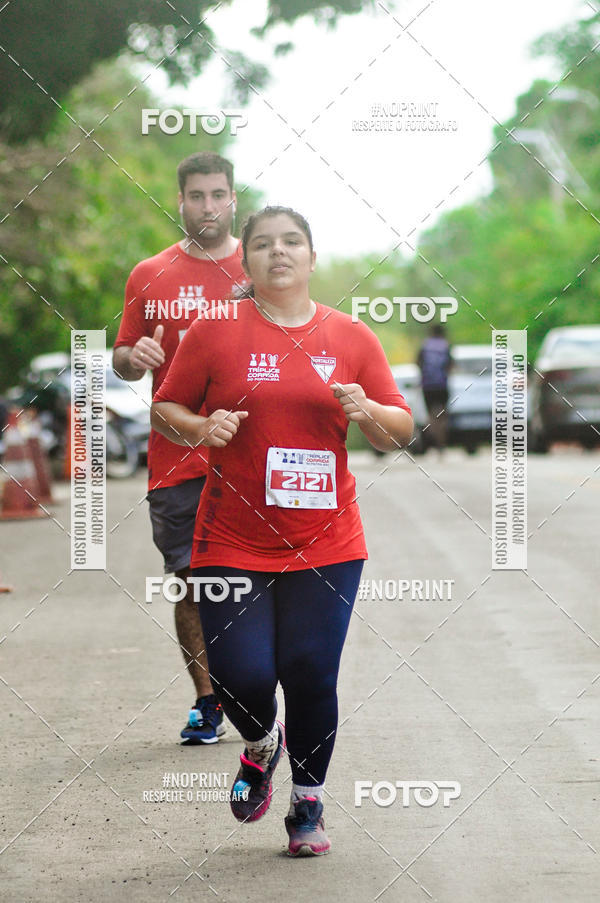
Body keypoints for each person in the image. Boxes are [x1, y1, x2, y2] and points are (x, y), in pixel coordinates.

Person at [151, 206, 413, 856]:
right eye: (263, 243)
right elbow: (164, 406)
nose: (279, 252)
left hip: (327, 540)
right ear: (247, 261)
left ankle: (307, 802)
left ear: (312, 256)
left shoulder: (350, 337)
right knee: (241, 674)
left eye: (292, 241)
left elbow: (400, 429)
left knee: (310, 671)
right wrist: (197, 428)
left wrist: (370, 408)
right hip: (229, 537)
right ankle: (261, 744)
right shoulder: (214, 334)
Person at [113, 152, 246, 744]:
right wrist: (132, 359)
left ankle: (256, 691)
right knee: (191, 583)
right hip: (176, 458)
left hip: (251, 455)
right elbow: (122, 357)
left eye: (218, 195)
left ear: (233, 199)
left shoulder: (261, 264)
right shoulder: (150, 274)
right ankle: (208, 702)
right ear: (180, 200)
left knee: (254, 580)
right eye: (197, 196)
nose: (209, 207)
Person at [417, 323, 451, 452]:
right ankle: (442, 441)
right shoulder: (445, 345)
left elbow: (418, 363)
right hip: (442, 385)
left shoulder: (425, 346)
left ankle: (434, 439)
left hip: (428, 386)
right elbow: (450, 365)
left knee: (431, 415)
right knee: (443, 415)